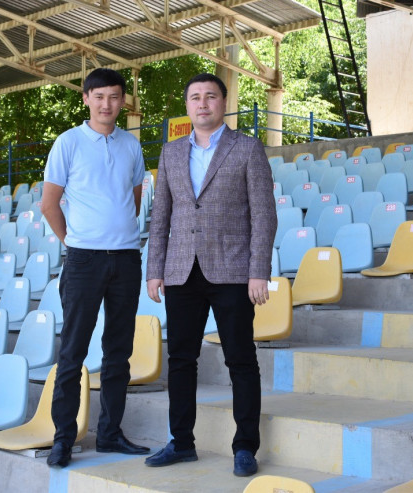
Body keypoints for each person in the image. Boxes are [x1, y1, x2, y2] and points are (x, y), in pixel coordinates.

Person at [144, 73, 277, 477]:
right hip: (181, 271)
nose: (202, 104)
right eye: (195, 97)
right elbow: (161, 216)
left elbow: (264, 215)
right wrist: (154, 270)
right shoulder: (170, 153)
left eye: (210, 96)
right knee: (181, 360)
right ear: (187, 106)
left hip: (233, 271)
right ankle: (182, 442)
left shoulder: (248, 148)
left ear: (223, 102)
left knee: (241, 359)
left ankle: (245, 446)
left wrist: (258, 271)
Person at [42, 68, 150, 468]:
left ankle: (109, 434)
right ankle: (63, 439)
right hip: (84, 260)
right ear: (86, 98)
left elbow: (133, 201)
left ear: (123, 101)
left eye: (115, 97)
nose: (107, 104)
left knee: (119, 352)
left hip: (126, 258)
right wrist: (73, 242)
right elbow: (49, 203)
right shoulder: (68, 142)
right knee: (72, 352)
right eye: (99, 96)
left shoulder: (131, 146)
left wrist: (115, 237)